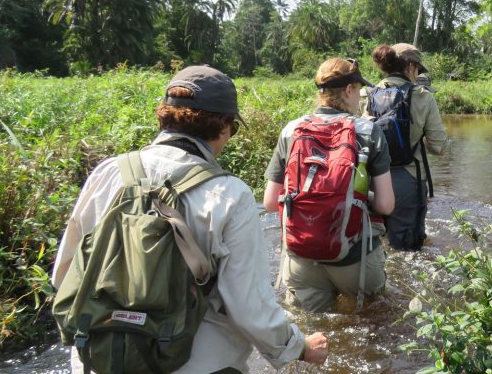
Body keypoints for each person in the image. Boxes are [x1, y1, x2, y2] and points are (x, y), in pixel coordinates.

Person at [51, 65, 328, 373]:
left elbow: (65, 274)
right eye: (232, 129)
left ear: (164, 117)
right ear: (223, 126)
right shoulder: (230, 194)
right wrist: (299, 346)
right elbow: (249, 307)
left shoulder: (107, 173)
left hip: (100, 358)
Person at [262, 58, 395, 313]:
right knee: (371, 324)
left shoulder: (291, 130)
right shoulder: (369, 131)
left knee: (311, 330)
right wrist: (356, 195)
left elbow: (270, 202)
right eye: (359, 91)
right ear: (348, 90)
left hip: (301, 257)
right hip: (355, 259)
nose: (361, 98)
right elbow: (386, 205)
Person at [366, 43, 448, 251]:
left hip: (371, 180)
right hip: (408, 179)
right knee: (408, 247)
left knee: (377, 241)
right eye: (418, 70)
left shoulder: (367, 94)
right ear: (411, 67)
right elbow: (439, 147)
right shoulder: (423, 96)